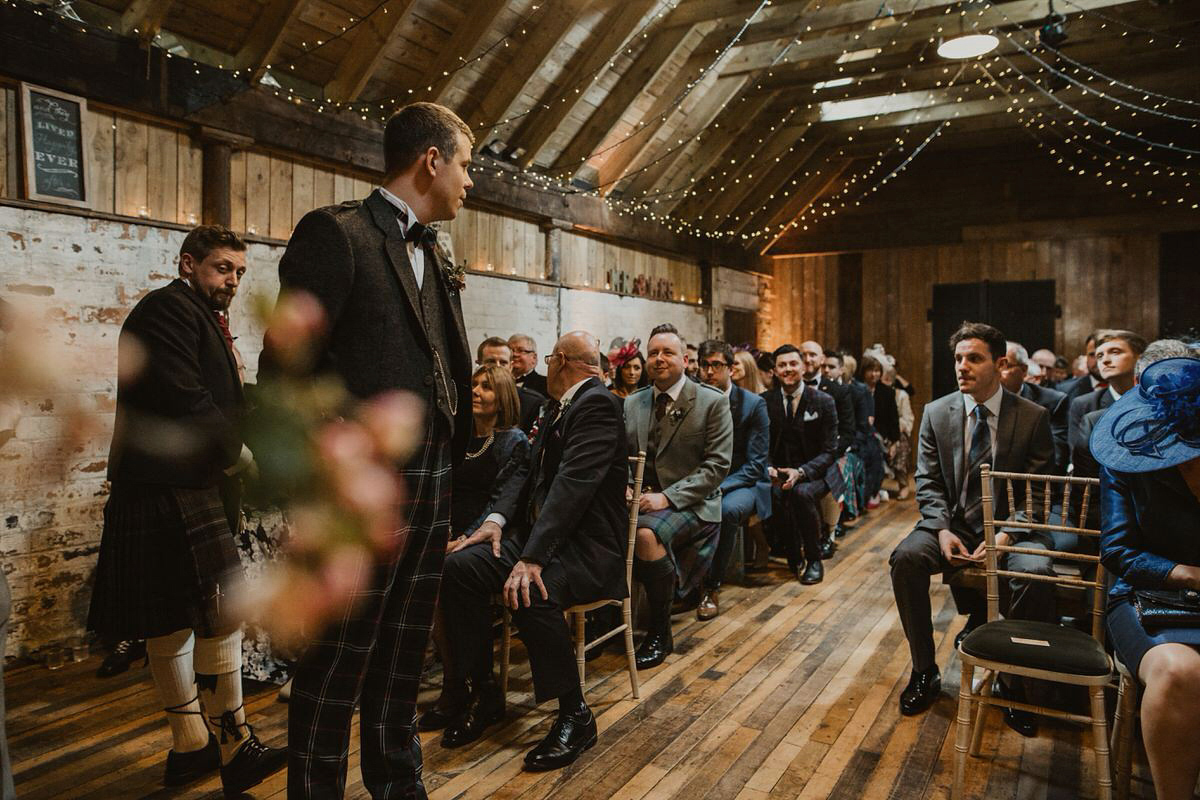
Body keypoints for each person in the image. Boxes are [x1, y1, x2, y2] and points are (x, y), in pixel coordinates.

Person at [267, 101, 475, 799]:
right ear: (432, 160)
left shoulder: (435, 252)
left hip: (434, 475)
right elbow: (284, 375)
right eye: (467, 165)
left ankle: (398, 787)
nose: (469, 183)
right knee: (336, 664)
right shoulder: (338, 235)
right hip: (361, 487)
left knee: (403, 658)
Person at [88, 225, 285, 793]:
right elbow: (184, 395)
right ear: (188, 263)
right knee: (208, 614)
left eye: (240, 273)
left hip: (172, 484)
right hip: (169, 486)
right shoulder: (167, 311)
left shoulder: (192, 313)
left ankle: (195, 749)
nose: (233, 281)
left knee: (177, 616)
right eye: (224, 268)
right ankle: (226, 745)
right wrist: (240, 454)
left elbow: (212, 394)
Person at [438, 332, 626, 771]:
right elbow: (523, 470)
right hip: (541, 537)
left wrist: (532, 557)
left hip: (587, 547)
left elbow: (573, 487)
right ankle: (484, 693)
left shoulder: (598, 404)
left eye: (547, 358)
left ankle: (575, 713)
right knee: (459, 568)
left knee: (529, 589)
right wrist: (493, 522)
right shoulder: (550, 406)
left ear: (560, 361)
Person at [888, 322, 1056, 735]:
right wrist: (940, 527)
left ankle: (1015, 683)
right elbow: (927, 481)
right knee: (906, 559)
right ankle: (924, 670)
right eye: (958, 359)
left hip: (1011, 527)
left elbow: (1038, 494)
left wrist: (1006, 535)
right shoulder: (937, 412)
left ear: (1000, 365)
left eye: (973, 358)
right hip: (954, 524)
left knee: (1034, 574)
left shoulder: (1032, 417)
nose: (962, 367)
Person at [1091, 355, 1200, 800]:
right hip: (1149, 599)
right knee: (1179, 672)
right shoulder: (1132, 456)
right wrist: (1189, 574)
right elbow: (1117, 551)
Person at [626, 325, 732, 668]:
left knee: (644, 535)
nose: (659, 359)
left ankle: (660, 632)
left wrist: (668, 498)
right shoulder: (633, 403)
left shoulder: (711, 402)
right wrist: (625, 486)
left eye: (667, 353)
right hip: (639, 499)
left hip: (694, 502)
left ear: (685, 360)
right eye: (653, 352)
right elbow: (618, 456)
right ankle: (608, 623)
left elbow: (716, 467)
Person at [695, 340, 771, 620]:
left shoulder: (753, 405)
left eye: (717, 365)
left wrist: (717, 486)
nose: (710, 372)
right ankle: (684, 584)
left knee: (725, 511)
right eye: (705, 365)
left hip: (743, 482)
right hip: (703, 479)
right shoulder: (696, 400)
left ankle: (711, 587)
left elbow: (756, 464)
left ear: (730, 368)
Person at [762, 345, 841, 585]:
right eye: (782, 365)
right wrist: (769, 468)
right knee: (774, 494)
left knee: (801, 493)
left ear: (803, 366)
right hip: (779, 472)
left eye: (793, 364)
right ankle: (793, 555)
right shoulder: (765, 401)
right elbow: (759, 443)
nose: (788, 369)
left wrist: (802, 472)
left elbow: (830, 450)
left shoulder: (823, 401)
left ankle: (814, 558)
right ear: (775, 370)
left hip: (818, 471)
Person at [800, 341, 856, 551]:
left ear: (821, 359)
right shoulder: (787, 388)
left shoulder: (838, 391)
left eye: (812, 355)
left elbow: (849, 432)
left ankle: (828, 532)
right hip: (797, 455)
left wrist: (829, 454)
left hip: (830, 453)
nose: (808, 359)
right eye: (803, 354)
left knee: (834, 470)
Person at [1001, 341, 1069, 475]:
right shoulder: (979, 398)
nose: (997, 372)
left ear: (1024, 370)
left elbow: (1056, 458)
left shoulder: (1053, 401)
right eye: (994, 366)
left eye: (1005, 366)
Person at [823, 350, 867, 526]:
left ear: (841, 370)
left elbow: (855, 428)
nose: (826, 370)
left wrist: (838, 449)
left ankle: (836, 520)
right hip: (824, 447)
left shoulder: (852, 392)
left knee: (841, 464)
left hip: (847, 445)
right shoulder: (816, 389)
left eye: (831, 367)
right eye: (823, 366)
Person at [477, 336, 545, 435]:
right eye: (491, 362)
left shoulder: (532, 402)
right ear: (479, 365)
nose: (498, 367)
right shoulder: (470, 397)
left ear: (511, 366)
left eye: (503, 362)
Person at [858, 353, 890, 506]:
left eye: (877, 371)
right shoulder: (857, 389)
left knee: (875, 449)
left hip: (882, 433)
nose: (874, 374)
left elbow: (893, 419)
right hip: (863, 431)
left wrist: (893, 441)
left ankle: (874, 491)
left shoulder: (886, 391)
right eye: (870, 370)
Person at [884, 363, 915, 501]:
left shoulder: (901, 395)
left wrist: (894, 435)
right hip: (881, 430)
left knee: (901, 444)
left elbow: (907, 418)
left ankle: (903, 485)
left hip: (898, 429)